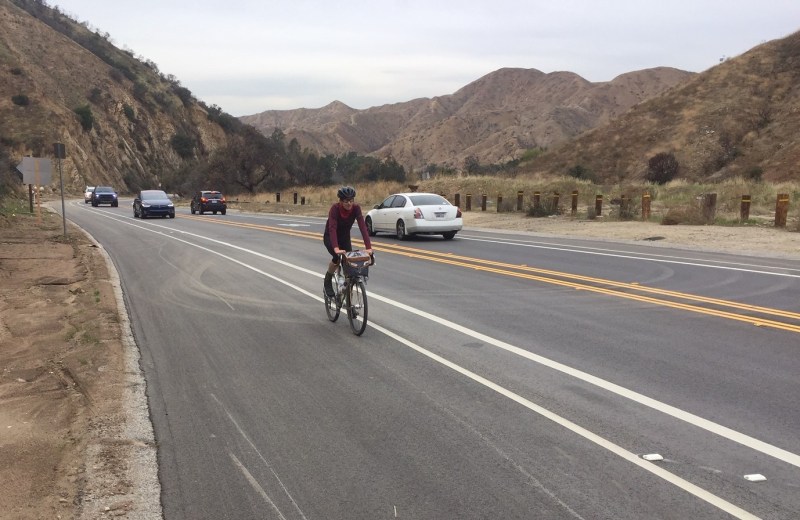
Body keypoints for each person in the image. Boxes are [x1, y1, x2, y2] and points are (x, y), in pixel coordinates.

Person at [323, 186, 373, 297]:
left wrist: (368, 247)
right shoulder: (335, 209)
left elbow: (363, 227)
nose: (349, 203)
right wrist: (336, 248)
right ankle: (327, 280)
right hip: (331, 238)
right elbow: (332, 228)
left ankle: (347, 297)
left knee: (350, 265)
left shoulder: (356, 208)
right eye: (346, 201)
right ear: (340, 201)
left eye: (351, 200)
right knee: (337, 259)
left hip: (345, 238)